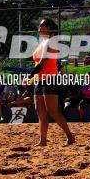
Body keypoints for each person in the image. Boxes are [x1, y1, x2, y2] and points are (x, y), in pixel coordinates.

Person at [31, 18, 75, 146]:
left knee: (52, 111)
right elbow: (37, 62)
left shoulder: (52, 42)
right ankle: (43, 140)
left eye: (42, 25)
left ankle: (69, 135)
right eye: (39, 25)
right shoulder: (43, 42)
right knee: (40, 111)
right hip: (40, 79)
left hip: (50, 79)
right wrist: (33, 76)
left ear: (49, 27)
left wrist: (30, 75)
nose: (39, 27)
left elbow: (43, 62)